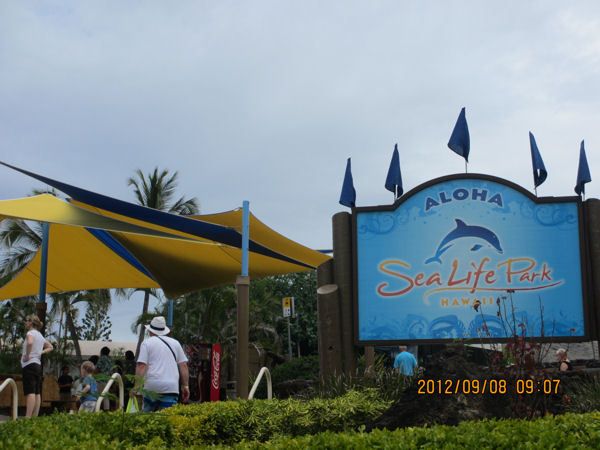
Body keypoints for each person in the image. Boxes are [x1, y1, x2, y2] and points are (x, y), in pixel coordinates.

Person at [134, 316, 190, 412]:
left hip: (151, 387)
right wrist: (185, 386)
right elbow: (183, 365)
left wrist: (137, 387)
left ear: (151, 331)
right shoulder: (176, 343)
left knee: (147, 418)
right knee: (166, 418)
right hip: (171, 388)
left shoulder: (147, 343)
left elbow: (141, 366)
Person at [21, 314, 53, 418]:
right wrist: (40, 352)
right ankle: (34, 417)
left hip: (29, 365)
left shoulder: (30, 333)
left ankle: (27, 417)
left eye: (27, 320)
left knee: (30, 392)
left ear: (31, 322)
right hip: (37, 366)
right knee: (37, 392)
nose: (25, 322)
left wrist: (27, 355)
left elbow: (30, 343)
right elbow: (50, 347)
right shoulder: (40, 335)